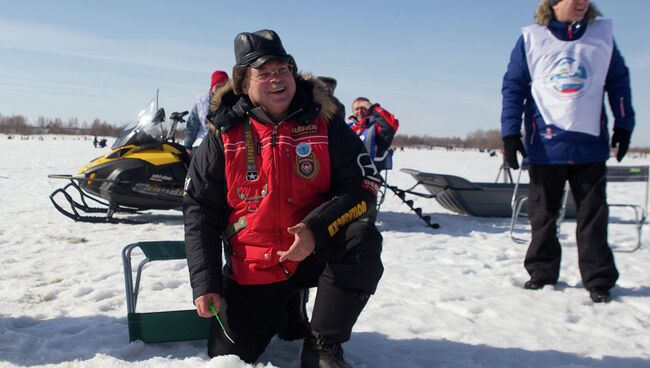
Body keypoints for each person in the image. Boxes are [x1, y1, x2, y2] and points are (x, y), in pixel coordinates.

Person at [183, 29, 384, 367]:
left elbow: (364, 187)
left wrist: (315, 229)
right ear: (244, 83)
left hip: (312, 253)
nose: (277, 80)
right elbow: (200, 209)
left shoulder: (326, 122)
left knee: (361, 239)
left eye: (283, 70)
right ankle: (287, 308)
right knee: (228, 356)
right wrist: (205, 283)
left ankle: (323, 345)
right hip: (255, 268)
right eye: (264, 73)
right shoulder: (222, 135)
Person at [500, 0, 635, 303]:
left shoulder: (600, 37)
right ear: (554, 3)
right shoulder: (532, 39)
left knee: (593, 217)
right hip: (546, 145)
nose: (583, 2)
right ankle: (542, 272)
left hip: (589, 145)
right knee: (542, 214)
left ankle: (598, 278)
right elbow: (514, 87)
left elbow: (619, 83)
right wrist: (510, 133)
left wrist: (624, 126)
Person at [184, 70, 230, 153]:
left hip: (225, 142)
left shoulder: (232, 100)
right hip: (202, 141)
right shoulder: (202, 103)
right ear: (212, 88)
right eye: (218, 87)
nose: (220, 90)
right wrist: (188, 146)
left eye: (223, 87)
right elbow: (192, 125)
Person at [349, 97, 399, 171]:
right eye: (357, 109)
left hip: (369, 175)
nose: (360, 111)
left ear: (369, 110)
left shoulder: (376, 127)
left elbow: (391, 125)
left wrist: (372, 107)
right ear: (352, 111)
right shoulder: (347, 127)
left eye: (363, 108)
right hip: (346, 174)